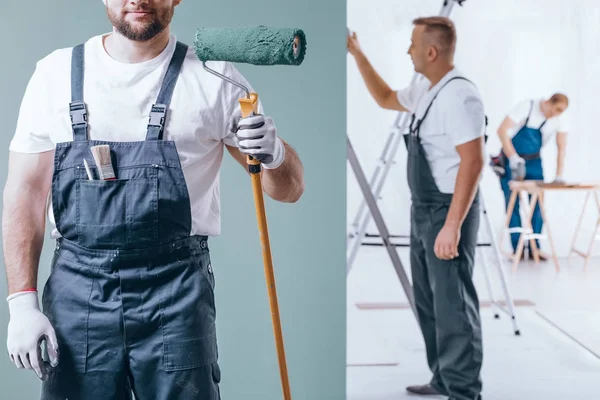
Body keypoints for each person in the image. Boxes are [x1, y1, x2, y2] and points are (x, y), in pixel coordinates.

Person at [2, 0, 304, 399]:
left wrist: (275, 154)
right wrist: (21, 301)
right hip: (79, 293)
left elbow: (289, 189)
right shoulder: (54, 75)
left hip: (176, 293)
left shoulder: (216, 79)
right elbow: (25, 193)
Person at [348, 16, 485, 400]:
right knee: (429, 301)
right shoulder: (426, 87)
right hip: (423, 208)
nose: (408, 50)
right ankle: (443, 378)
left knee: (453, 305)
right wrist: (357, 54)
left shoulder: (460, 96)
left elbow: (472, 162)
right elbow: (386, 98)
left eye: (412, 44)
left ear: (431, 51)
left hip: (447, 210)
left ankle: (463, 391)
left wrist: (453, 225)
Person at [494, 94, 569, 260]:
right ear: (549, 102)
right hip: (512, 161)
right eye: (556, 109)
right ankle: (517, 249)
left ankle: (535, 247)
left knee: (538, 204)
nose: (556, 114)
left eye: (561, 112)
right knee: (512, 204)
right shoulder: (526, 107)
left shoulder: (558, 119)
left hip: (535, 163)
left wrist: (559, 175)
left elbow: (561, 148)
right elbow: (502, 130)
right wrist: (513, 157)